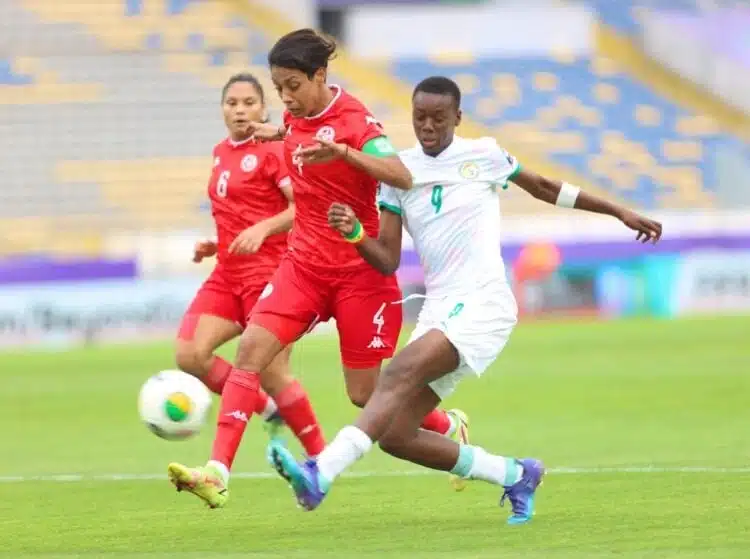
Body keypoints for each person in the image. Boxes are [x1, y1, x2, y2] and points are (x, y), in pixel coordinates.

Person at [269, 76, 664, 524]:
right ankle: (516, 474)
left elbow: (546, 187)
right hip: (442, 308)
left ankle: (320, 472)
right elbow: (386, 260)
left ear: (458, 117)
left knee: (396, 371)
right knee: (397, 434)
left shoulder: (486, 155)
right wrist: (356, 234)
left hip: (483, 302)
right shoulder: (398, 174)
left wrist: (618, 210)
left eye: (439, 117)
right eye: (420, 117)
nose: (429, 126)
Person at [168, 33, 467, 509]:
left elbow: (400, 173)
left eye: (292, 86)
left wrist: (345, 152)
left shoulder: (354, 119)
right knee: (250, 354)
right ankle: (217, 473)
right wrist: (280, 132)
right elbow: (304, 132)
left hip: (359, 275)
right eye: (278, 87)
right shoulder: (294, 114)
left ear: (320, 77)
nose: (284, 97)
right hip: (303, 268)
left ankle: (447, 425)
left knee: (365, 394)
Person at [170, 72, 328, 503]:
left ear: (264, 109)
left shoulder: (273, 150)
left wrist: (264, 228)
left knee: (274, 372)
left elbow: (303, 207)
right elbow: (237, 210)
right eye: (231, 103)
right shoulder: (221, 152)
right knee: (189, 353)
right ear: (222, 109)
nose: (239, 110)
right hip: (227, 272)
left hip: (272, 274)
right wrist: (215, 243)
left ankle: (322, 459)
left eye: (248, 102)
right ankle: (266, 408)